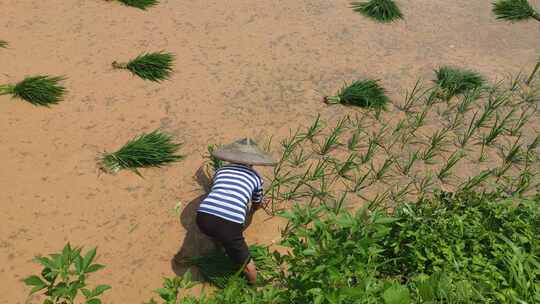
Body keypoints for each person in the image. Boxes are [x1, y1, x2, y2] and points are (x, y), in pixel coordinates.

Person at [196, 138, 276, 284]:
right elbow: (256, 204)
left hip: (203, 218)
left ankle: (219, 245)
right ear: (253, 161)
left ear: (232, 156)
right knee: (247, 265)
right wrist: (255, 209)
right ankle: (254, 289)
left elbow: (218, 188)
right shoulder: (257, 178)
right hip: (228, 225)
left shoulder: (221, 170)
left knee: (216, 231)